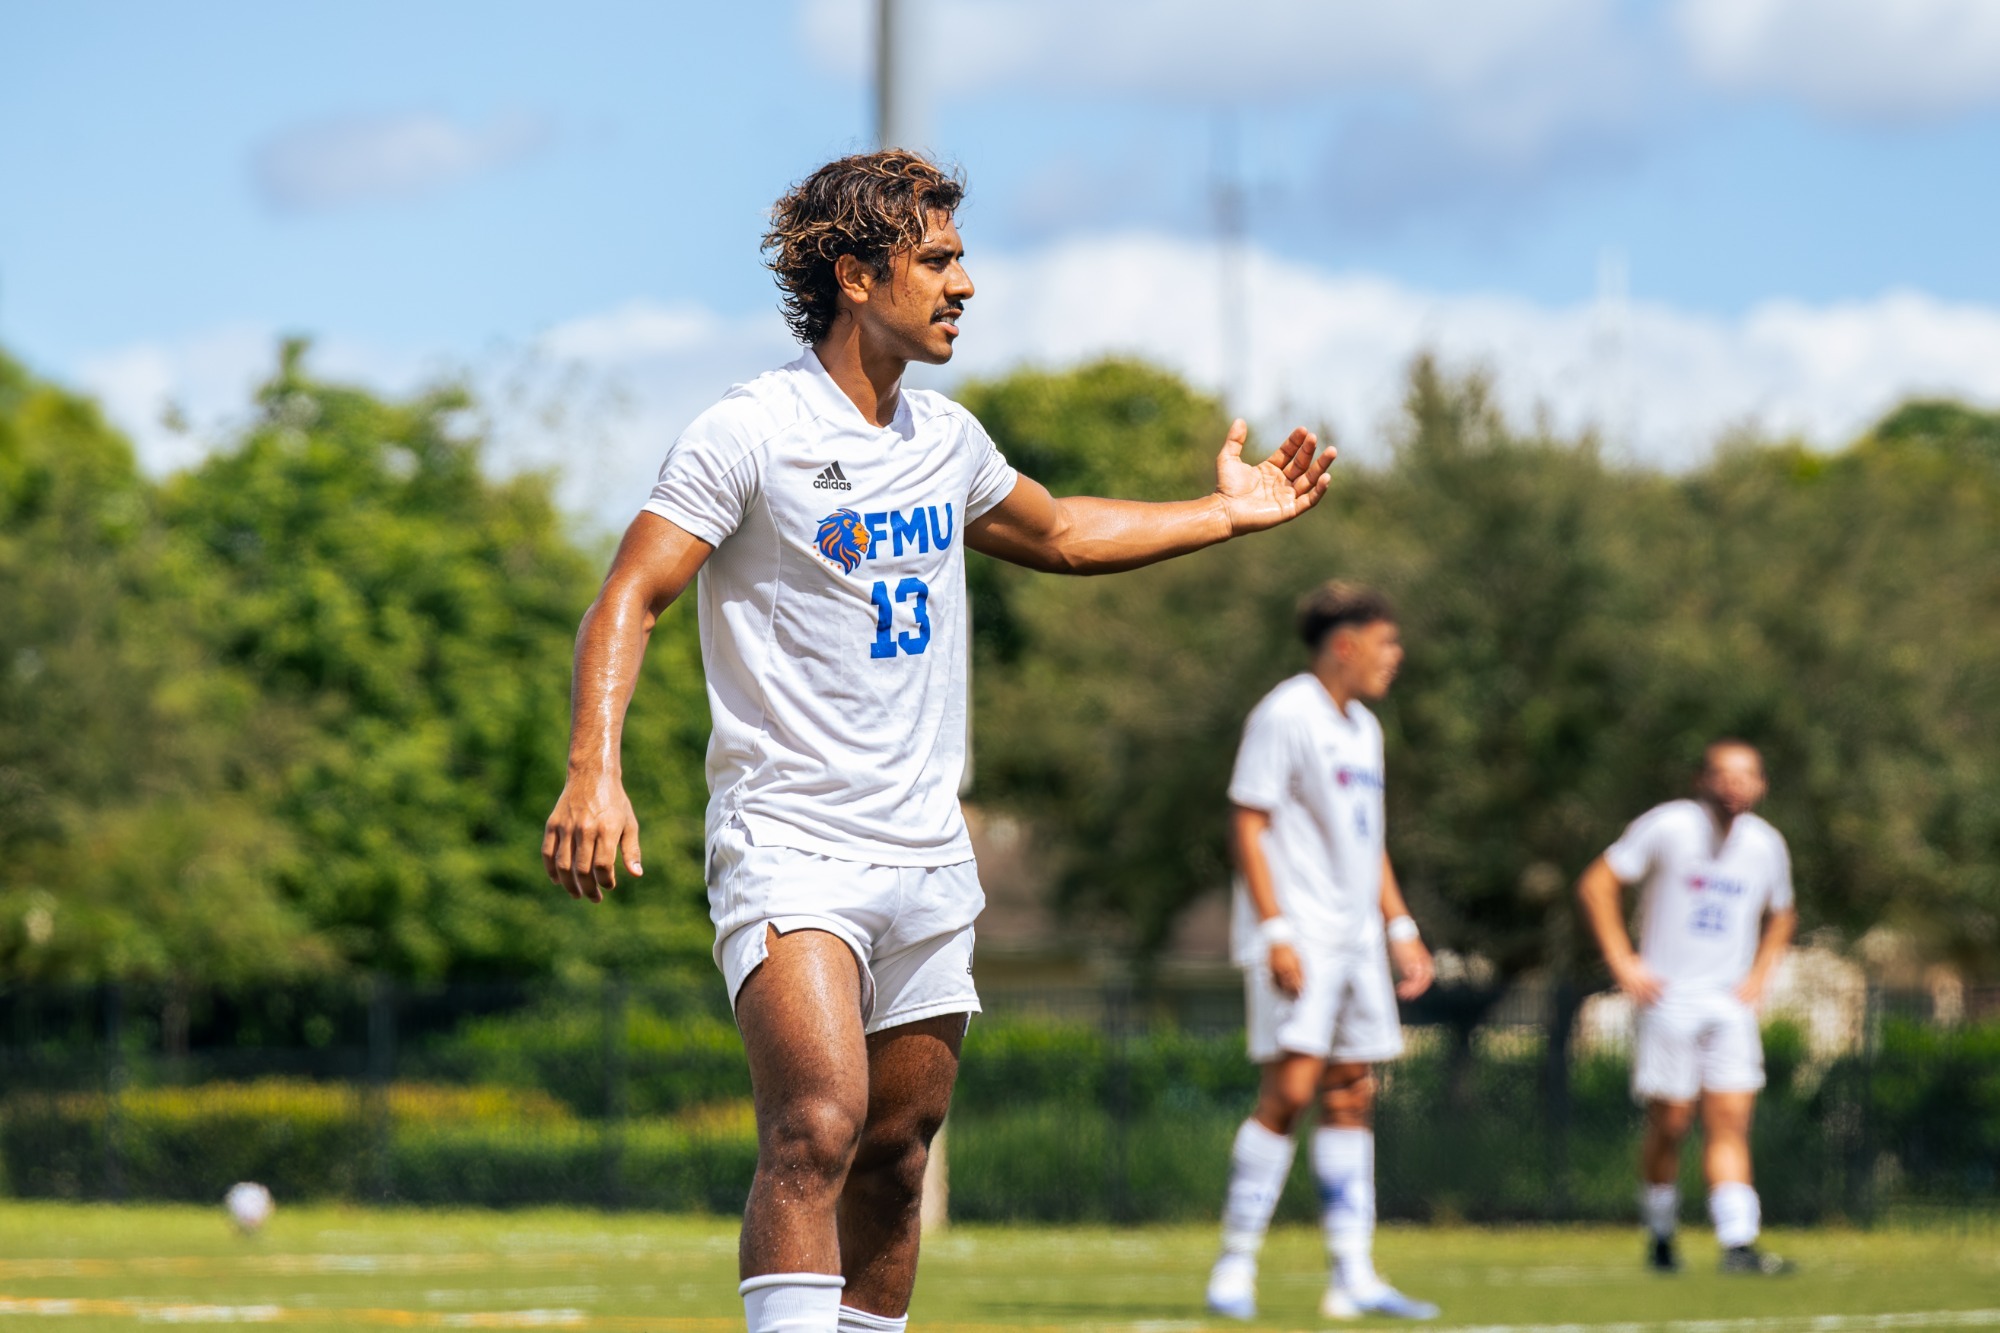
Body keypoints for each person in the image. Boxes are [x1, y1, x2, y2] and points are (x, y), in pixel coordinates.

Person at [540, 150, 1336, 1333]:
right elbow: (630, 595)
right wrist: (592, 769)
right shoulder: (749, 430)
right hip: (791, 843)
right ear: (856, 276)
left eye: (959, 260)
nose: (963, 285)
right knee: (815, 1124)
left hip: (926, 852)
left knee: (897, 1152)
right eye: (937, 260)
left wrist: (1224, 511)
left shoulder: (946, 439)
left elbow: (1059, 533)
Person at [1205, 582, 1439, 1323]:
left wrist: (1399, 925)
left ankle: (1353, 1275)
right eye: (1386, 642)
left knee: (1351, 1091)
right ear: (1345, 644)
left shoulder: (1364, 728)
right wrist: (1274, 929)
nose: (1395, 656)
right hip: (1301, 931)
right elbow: (1248, 822)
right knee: (1291, 1090)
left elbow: (1369, 837)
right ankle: (1235, 1264)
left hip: (1357, 938)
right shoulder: (1286, 712)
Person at [1576, 740, 1799, 1276]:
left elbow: (1783, 912)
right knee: (1671, 1122)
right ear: (1702, 779)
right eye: (1724, 773)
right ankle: (1660, 1232)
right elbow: (1597, 883)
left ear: (1762, 785)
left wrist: (1760, 974)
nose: (1735, 784)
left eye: (1747, 774)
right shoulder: (1670, 825)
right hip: (1668, 999)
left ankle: (1738, 1243)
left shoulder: (1766, 843)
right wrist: (1623, 961)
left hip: (1729, 1004)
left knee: (1731, 1120)